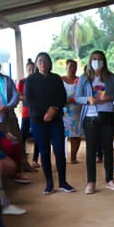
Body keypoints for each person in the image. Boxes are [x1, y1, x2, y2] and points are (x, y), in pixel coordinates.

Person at [24, 52, 74, 194]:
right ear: (36, 63)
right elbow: (29, 100)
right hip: (38, 121)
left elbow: (62, 96)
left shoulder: (56, 78)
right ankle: (49, 184)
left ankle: (63, 182)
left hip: (55, 119)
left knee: (59, 150)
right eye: (40, 60)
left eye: (45, 60)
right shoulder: (31, 79)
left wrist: (53, 110)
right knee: (44, 152)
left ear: (50, 63)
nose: (43, 63)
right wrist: (45, 113)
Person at [74, 50, 114, 194]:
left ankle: (110, 179)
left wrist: (109, 97)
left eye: (100, 59)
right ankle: (91, 182)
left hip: (107, 115)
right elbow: (77, 97)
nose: (97, 61)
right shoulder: (84, 78)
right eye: (94, 59)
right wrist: (87, 99)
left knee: (108, 148)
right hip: (90, 117)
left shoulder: (111, 77)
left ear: (104, 61)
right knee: (91, 150)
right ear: (90, 61)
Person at [0, 85, 31, 184]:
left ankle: (17, 173)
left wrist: (6, 132)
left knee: (15, 143)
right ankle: (9, 173)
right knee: (4, 146)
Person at [17, 59, 39, 169]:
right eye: (29, 69)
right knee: (23, 136)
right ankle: (23, 159)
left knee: (37, 136)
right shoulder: (22, 81)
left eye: (33, 69)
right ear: (27, 70)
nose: (31, 71)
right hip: (26, 112)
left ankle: (35, 160)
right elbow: (18, 95)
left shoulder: (39, 81)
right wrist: (28, 98)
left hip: (37, 112)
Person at [61, 59, 83, 164]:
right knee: (60, 134)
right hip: (62, 111)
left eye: (74, 67)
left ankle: (73, 157)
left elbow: (83, 95)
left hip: (76, 111)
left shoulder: (79, 80)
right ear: (66, 67)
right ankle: (61, 156)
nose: (72, 69)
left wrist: (71, 100)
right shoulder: (60, 80)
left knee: (76, 134)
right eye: (70, 67)